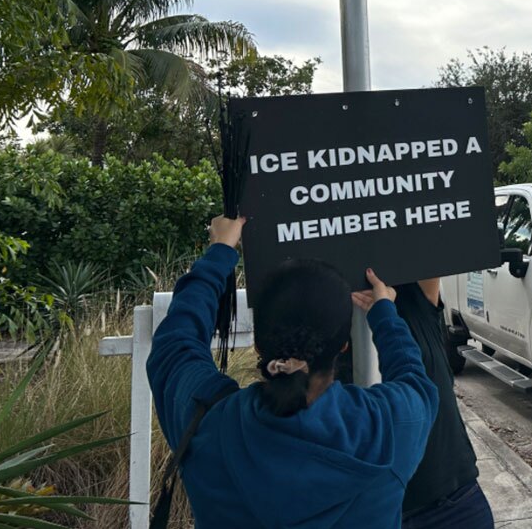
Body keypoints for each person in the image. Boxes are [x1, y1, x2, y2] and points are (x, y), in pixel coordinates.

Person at [147, 215, 439, 528]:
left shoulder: (208, 425)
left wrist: (220, 252)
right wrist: (385, 317)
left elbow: (175, 343)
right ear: (343, 346)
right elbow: (415, 379)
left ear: (259, 345)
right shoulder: (389, 427)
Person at [394, 278, 494, 528]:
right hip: (376, 511)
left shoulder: (412, 296)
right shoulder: (317, 306)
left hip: (453, 500)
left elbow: (435, 245)